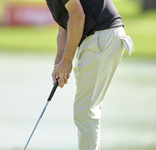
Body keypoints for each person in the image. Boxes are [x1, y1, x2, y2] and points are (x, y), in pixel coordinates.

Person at [45, 0, 134, 149]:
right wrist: (59, 64)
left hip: (102, 36)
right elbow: (63, 29)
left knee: (85, 111)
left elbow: (78, 16)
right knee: (86, 110)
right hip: (100, 37)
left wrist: (67, 61)